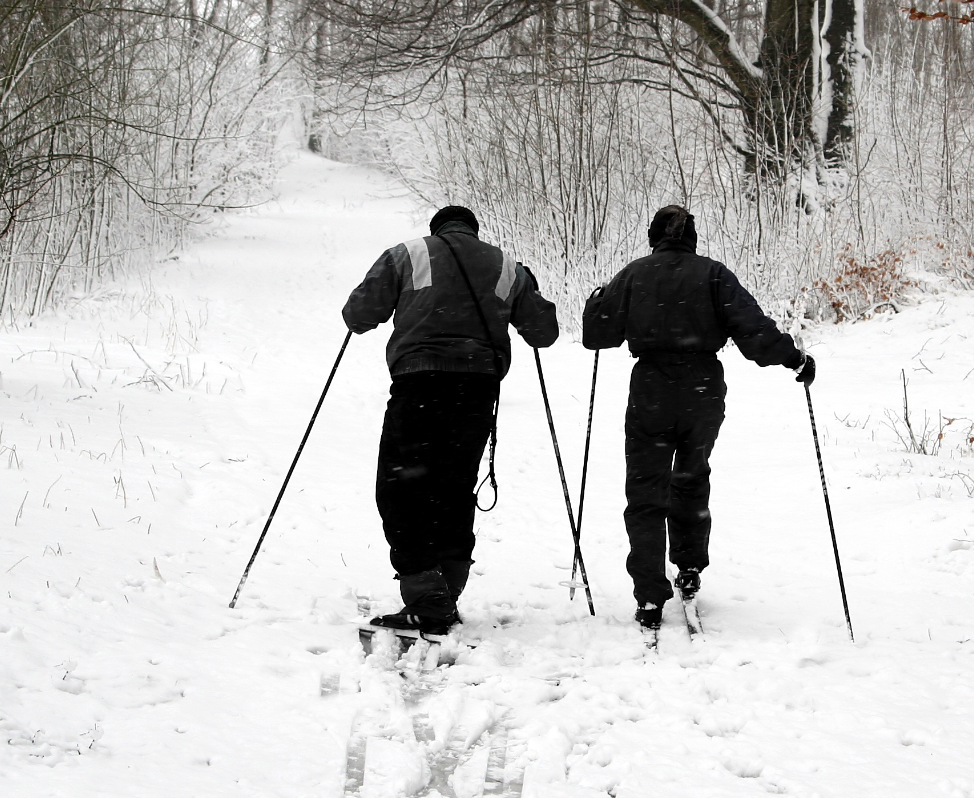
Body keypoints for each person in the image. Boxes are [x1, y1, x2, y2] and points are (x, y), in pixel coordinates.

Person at [582, 204, 815, 633]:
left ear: (654, 236)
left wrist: (598, 300)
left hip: (651, 388)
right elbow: (753, 329)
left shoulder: (635, 274)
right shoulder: (713, 274)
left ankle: (650, 595)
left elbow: (597, 335)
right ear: (692, 237)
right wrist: (793, 357)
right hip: (702, 390)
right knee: (690, 479)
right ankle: (688, 568)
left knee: (646, 490)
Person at [343, 205, 558, 634]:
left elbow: (358, 316)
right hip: (476, 392)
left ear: (436, 229)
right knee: (454, 487)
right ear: (474, 232)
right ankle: (446, 588)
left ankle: (427, 592)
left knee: (401, 486)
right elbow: (544, 333)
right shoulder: (506, 266)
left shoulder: (408, 254)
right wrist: (527, 284)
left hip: (418, 383)